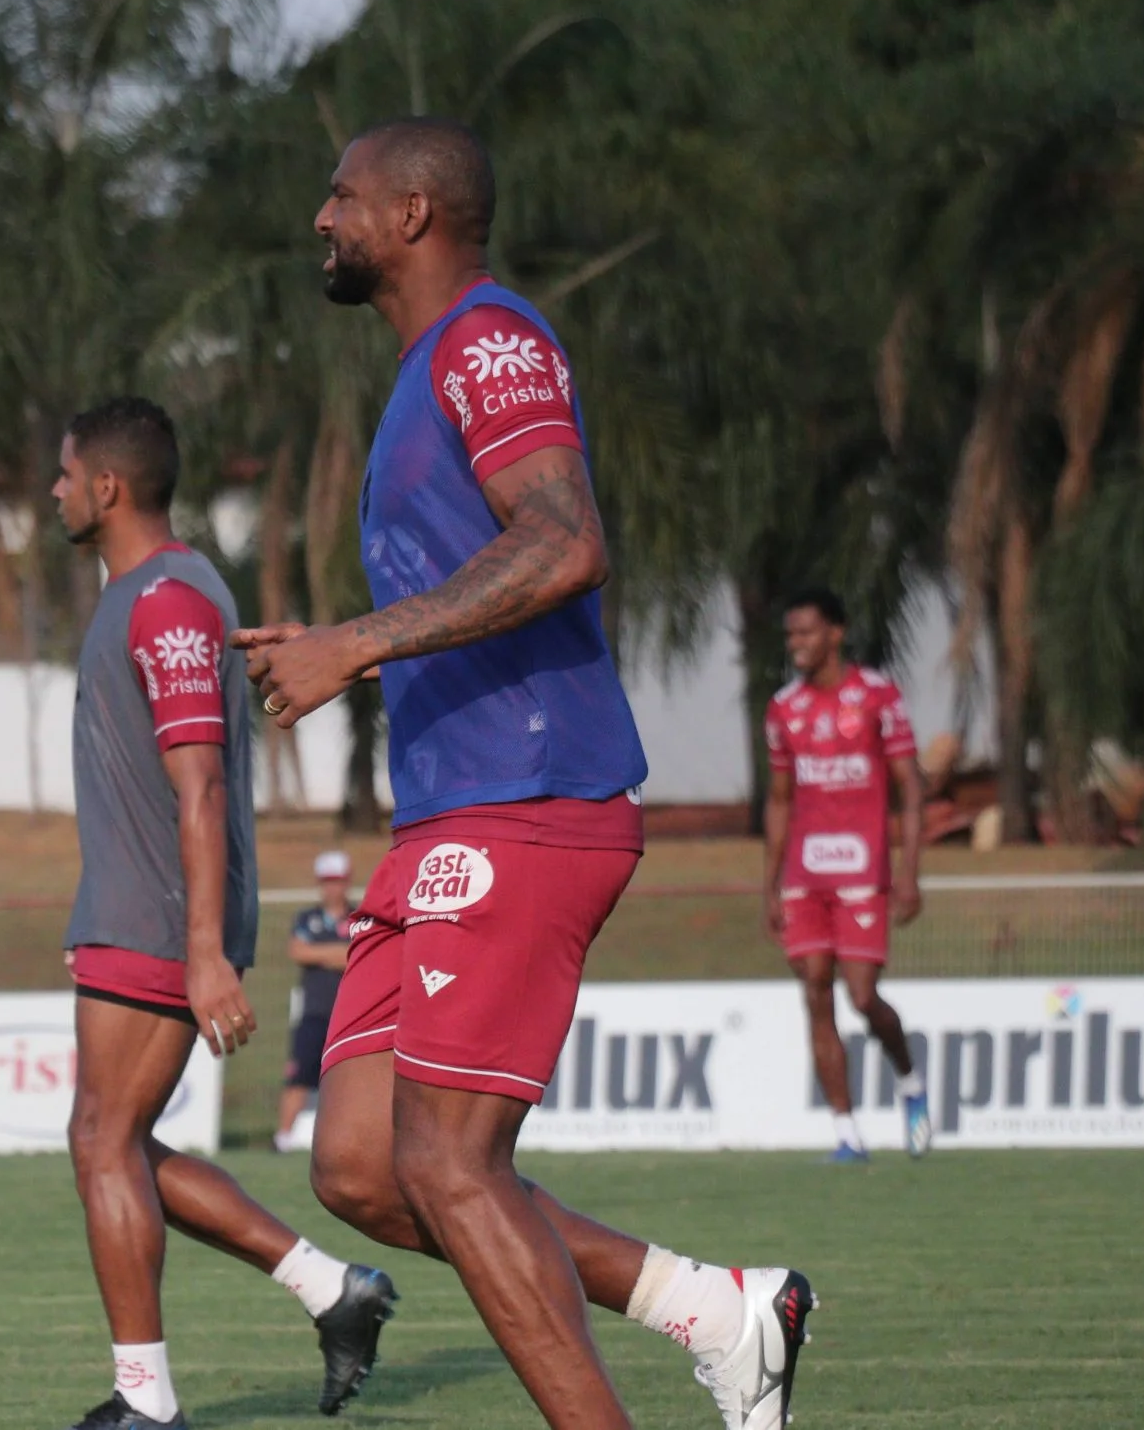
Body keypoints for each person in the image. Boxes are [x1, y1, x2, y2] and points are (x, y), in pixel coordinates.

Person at [237, 117, 813, 1430]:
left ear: (415, 216)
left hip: (528, 801)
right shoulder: (422, 371)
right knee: (364, 1169)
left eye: (342, 197)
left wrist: (357, 643)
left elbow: (564, 541)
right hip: (452, 815)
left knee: (446, 1159)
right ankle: (724, 1314)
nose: (322, 219)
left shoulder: (490, 341)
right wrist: (359, 649)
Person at [52, 397, 397, 1430]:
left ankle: (146, 1405)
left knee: (103, 1140)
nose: (55, 489)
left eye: (65, 473)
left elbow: (199, 786)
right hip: (144, 908)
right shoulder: (167, 588)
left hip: (155, 914)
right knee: (111, 1139)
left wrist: (205, 952)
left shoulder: (161, 598)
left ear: (107, 487)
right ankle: (330, 1290)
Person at [763, 588, 932, 1162]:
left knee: (861, 997)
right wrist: (771, 884)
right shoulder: (784, 707)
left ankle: (909, 1079)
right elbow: (781, 799)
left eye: (806, 632)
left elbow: (911, 786)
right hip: (806, 874)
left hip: (863, 868)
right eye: (790, 635)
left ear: (836, 633)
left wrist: (909, 872)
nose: (797, 645)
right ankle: (846, 1132)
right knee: (814, 986)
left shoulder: (878, 696)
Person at [273, 851, 353, 1154]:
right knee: (298, 1076)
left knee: (347, 1082)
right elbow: (298, 951)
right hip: (314, 1011)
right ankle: (282, 1138)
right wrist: (338, 954)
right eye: (328, 881)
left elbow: (356, 955)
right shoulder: (306, 917)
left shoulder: (359, 917)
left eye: (338, 881)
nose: (333, 888)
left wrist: (320, 952)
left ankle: (346, 1143)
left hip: (348, 1014)